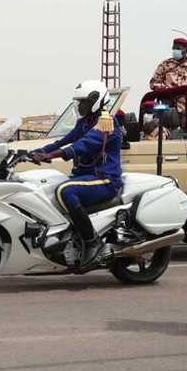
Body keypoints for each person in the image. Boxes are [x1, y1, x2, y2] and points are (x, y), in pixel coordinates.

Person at [29, 80, 123, 266]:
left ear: (95, 101)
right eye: (78, 102)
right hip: (86, 177)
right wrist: (33, 152)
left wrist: (53, 155)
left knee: (66, 191)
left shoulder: (106, 123)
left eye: (83, 102)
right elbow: (63, 141)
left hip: (104, 179)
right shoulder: (86, 122)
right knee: (44, 186)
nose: (80, 106)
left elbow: (82, 145)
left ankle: (91, 241)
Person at [149, 37, 187, 131]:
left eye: (178, 48)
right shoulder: (165, 65)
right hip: (168, 109)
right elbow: (153, 83)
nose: (175, 50)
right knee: (165, 136)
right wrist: (165, 89)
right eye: (174, 48)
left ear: (186, 50)